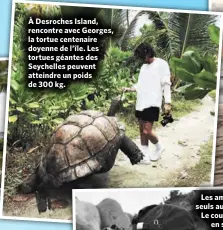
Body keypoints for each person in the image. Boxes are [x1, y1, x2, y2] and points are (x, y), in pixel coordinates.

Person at [123, 43, 172, 164]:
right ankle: (145, 156)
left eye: (142, 56)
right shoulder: (144, 67)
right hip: (141, 102)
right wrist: (130, 89)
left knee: (147, 131)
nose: (142, 60)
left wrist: (168, 102)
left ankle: (159, 147)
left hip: (153, 102)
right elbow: (140, 84)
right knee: (141, 130)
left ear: (149, 53)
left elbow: (166, 84)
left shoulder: (162, 64)